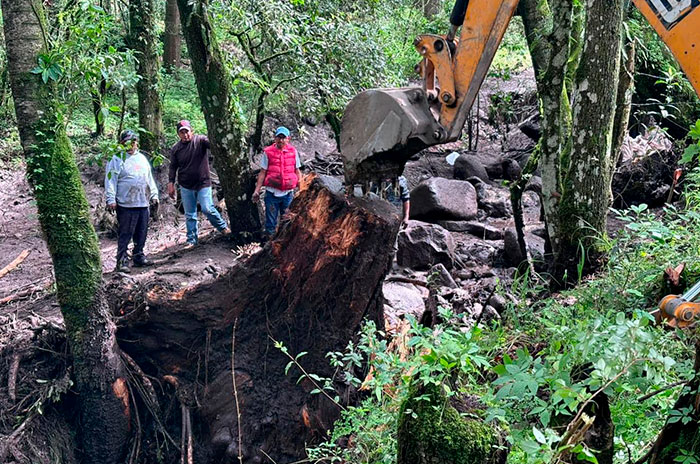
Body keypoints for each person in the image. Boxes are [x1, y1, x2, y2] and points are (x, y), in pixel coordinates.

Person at [167, 120, 230, 246]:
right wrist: (171, 183)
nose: (185, 135)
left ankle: (223, 228)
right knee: (190, 214)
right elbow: (173, 167)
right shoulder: (176, 148)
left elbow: (213, 145)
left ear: (192, 131)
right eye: (182, 132)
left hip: (203, 183)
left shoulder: (200, 141)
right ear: (178, 134)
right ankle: (192, 240)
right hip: (185, 185)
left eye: (187, 131)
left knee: (207, 208)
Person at [105, 130, 159, 273]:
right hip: (126, 203)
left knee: (142, 231)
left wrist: (154, 194)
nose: (131, 145)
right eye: (127, 142)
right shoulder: (117, 159)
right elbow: (111, 180)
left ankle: (138, 255)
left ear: (137, 142)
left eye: (133, 141)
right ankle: (121, 260)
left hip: (143, 201)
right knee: (126, 233)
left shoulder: (142, 158)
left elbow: (149, 178)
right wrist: (111, 199)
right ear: (122, 143)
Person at [252, 126, 302, 238]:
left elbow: (297, 171)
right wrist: (257, 190)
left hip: (288, 193)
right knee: (271, 223)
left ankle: (283, 245)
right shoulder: (268, 152)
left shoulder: (293, 152)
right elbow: (263, 172)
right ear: (275, 138)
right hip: (271, 194)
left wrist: (301, 188)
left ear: (288, 139)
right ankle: (269, 244)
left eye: (283, 138)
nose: (281, 140)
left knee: (287, 221)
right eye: (279, 137)